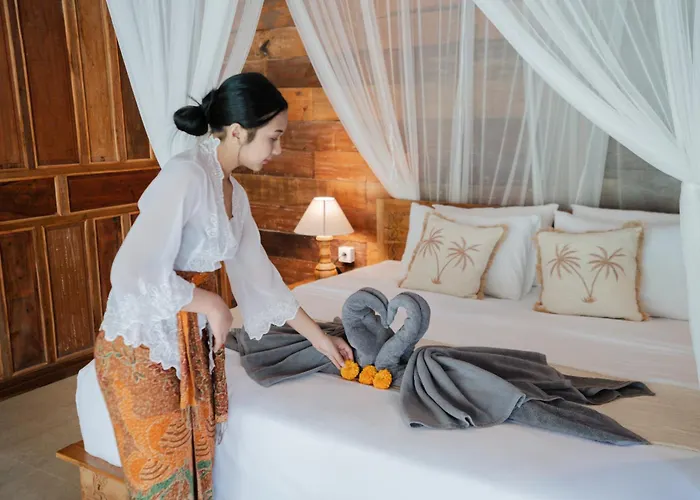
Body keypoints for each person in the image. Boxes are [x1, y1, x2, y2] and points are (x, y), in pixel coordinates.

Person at [94, 72, 354, 499]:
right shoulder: (186, 175)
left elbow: (261, 277)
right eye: (274, 137)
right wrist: (212, 303)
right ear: (237, 131)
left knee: (196, 477)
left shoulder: (234, 192)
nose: (278, 150)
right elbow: (130, 273)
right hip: (141, 346)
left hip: (188, 345)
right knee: (163, 487)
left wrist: (319, 338)